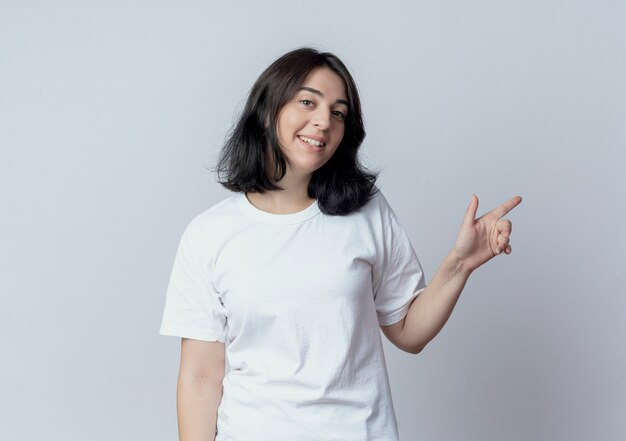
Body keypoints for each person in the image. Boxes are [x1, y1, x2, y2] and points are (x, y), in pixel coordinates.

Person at [159, 47, 522, 441]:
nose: (323, 122)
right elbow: (200, 376)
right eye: (307, 102)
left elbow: (408, 332)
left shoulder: (366, 212)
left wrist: (460, 264)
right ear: (267, 109)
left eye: (338, 112)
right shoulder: (209, 234)